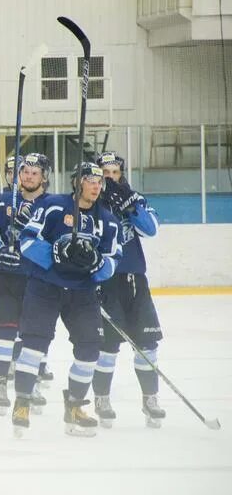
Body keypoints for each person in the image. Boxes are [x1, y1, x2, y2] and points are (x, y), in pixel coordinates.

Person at [11, 162, 122, 437]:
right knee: (34, 346)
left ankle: (74, 406)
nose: (97, 185)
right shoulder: (52, 206)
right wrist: (56, 255)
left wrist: (96, 264)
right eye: (90, 180)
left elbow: (112, 260)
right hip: (45, 287)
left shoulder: (107, 221)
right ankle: (22, 402)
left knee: (90, 348)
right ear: (77, 182)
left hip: (82, 292)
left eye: (100, 181)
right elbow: (25, 240)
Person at [92, 151, 166, 428]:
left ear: (121, 174)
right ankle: (102, 397)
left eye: (114, 172)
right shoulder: (88, 203)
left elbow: (151, 230)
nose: (109, 177)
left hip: (135, 280)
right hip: (105, 281)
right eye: (104, 172)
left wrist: (130, 207)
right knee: (108, 345)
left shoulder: (134, 199)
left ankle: (150, 398)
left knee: (147, 343)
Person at [0, 153, 51, 416]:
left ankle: (29, 385)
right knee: (4, 333)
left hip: (40, 280)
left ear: (44, 176)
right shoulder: (2, 202)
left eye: (35, 172)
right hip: (10, 277)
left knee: (33, 336)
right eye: (25, 172)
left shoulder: (53, 205)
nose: (29, 176)